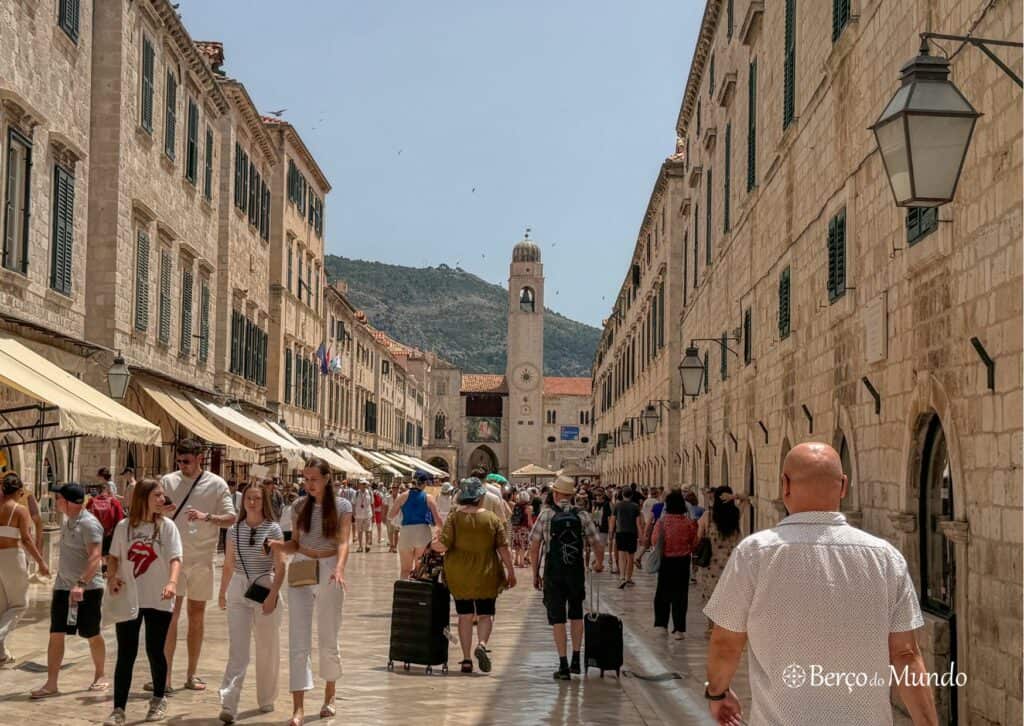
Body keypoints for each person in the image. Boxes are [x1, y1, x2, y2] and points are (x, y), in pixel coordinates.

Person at [703, 443, 938, 725]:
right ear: (843, 487)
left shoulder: (754, 554)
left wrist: (718, 695)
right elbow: (905, 654)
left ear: (784, 485)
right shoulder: (885, 558)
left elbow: (726, 642)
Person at [267, 457, 352, 726]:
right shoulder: (298, 505)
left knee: (328, 634)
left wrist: (339, 568)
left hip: (328, 567)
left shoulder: (342, 506)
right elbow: (294, 544)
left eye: (314, 479)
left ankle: (330, 695)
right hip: (302, 566)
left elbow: (344, 541)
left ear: (327, 479)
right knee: (298, 638)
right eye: (306, 479)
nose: (309, 484)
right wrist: (278, 547)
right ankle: (298, 708)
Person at [157, 438, 235, 693]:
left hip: (202, 558)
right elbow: (153, 513)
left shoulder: (216, 484)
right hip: (173, 559)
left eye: (187, 461)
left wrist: (207, 517)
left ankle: (191, 674)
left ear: (199, 458)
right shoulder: (168, 481)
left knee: (196, 617)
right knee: (170, 616)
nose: (183, 466)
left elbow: (231, 517)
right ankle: (165, 676)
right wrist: (161, 509)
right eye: (179, 461)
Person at [103, 479, 182, 726]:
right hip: (130, 596)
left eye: (162, 495)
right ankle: (118, 709)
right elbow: (114, 557)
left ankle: (158, 698)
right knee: (125, 653)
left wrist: (172, 582)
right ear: (143, 497)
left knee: (154, 650)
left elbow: (175, 558)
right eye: (157, 495)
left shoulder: (168, 527)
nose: (162, 500)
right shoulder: (124, 527)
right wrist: (112, 577)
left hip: (158, 597)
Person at [431, 478, 516, 673]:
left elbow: (443, 545)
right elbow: (503, 548)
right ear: (480, 498)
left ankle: (467, 659)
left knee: (465, 616)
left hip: (459, 575)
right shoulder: (492, 519)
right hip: (487, 573)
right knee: (486, 614)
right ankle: (483, 644)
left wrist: (430, 545)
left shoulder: (454, 517)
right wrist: (511, 572)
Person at [31, 484, 108, 699]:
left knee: (91, 633)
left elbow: (95, 557)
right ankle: (51, 683)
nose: (56, 501)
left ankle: (100, 674)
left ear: (70, 502)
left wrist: (81, 584)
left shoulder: (89, 524)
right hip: (63, 587)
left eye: (58, 498)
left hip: (89, 588)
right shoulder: (67, 522)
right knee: (56, 633)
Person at [217, 482, 285, 723]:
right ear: (242, 501)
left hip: (264, 588)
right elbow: (228, 563)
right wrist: (222, 592)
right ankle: (229, 702)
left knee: (267, 647)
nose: (252, 502)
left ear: (263, 501)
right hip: (238, 587)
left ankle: (266, 697)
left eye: (257, 498)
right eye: (248, 498)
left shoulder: (273, 529)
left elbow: (280, 566)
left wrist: (273, 595)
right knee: (238, 649)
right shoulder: (234, 530)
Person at [529, 476, 604, 681]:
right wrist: (599, 563)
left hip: (553, 573)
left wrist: (535, 573)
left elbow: (534, 547)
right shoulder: (582, 515)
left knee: (558, 619)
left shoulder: (546, 515)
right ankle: (576, 660)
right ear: (570, 496)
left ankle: (562, 665)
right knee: (577, 614)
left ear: (555, 494)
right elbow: (597, 543)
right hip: (575, 572)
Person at [0, 472, 51, 664]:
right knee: (20, 605)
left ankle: (1, 653)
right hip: (12, 557)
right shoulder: (19, 511)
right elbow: (27, 540)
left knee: (2, 607)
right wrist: (41, 562)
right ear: (19, 491)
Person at [696, 485, 745, 635]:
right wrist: (734, 497)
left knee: (711, 596)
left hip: (711, 564)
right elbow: (746, 499)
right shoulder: (735, 515)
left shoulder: (708, 516)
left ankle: (711, 627)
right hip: (731, 565)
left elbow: (699, 536)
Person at [649, 490, 698, 639]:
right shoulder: (688, 523)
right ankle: (679, 629)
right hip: (682, 562)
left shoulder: (662, 522)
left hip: (666, 561)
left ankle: (662, 625)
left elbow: (655, 540)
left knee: (663, 593)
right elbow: (694, 543)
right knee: (681, 595)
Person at [389, 472, 442, 578]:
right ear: (425, 483)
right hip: (423, 533)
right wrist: (440, 532)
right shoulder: (428, 498)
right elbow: (438, 520)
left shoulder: (403, 496)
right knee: (420, 569)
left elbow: (390, 516)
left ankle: (403, 593)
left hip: (406, 533)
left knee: (405, 569)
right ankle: (417, 593)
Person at [86, 481, 126, 568]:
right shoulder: (114, 502)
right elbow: (119, 519)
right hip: (109, 532)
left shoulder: (91, 501)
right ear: (108, 491)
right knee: (107, 552)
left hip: (94, 531)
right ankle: (105, 568)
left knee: (95, 551)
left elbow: (86, 516)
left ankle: (97, 567)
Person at [608, 488, 641, 588]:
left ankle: (622, 577)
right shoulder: (635, 506)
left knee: (621, 555)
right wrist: (641, 535)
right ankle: (628, 578)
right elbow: (638, 523)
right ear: (631, 495)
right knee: (630, 557)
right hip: (632, 533)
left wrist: (610, 532)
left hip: (620, 532)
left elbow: (613, 520)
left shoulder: (617, 506)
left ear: (622, 495)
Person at [509, 491, 533, 568]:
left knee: (517, 544)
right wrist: (532, 527)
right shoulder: (528, 507)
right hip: (523, 529)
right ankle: (522, 563)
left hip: (515, 527)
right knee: (522, 545)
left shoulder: (515, 505)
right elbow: (529, 520)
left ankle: (516, 560)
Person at [352, 480, 373, 553]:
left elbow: (372, 504)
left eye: (365, 484)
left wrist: (373, 514)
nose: (363, 485)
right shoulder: (356, 493)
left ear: (366, 485)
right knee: (359, 531)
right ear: (359, 485)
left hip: (367, 514)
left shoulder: (369, 493)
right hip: (359, 515)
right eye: (362, 484)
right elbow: (353, 503)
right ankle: (360, 546)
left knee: (367, 531)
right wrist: (353, 513)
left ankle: (367, 545)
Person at [385, 483, 401, 553]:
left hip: (397, 517)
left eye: (396, 488)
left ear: (398, 489)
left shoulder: (401, 497)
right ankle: (391, 545)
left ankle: (395, 547)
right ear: (392, 489)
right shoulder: (388, 497)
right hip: (389, 517)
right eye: (393, 488)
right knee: (390, 532)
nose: (395, 489)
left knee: (396, 532)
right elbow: (385, 507)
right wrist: (384, 516)